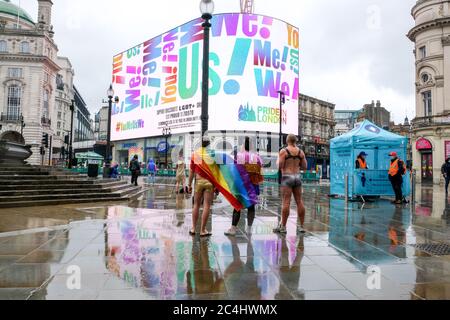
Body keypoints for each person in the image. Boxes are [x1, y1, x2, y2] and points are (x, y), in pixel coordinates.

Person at [225, 137, 263, 236]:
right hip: (253, 186)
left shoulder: (239, 156)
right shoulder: (257, 157)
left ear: (243, 145)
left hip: (241, 185)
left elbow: (234, 171)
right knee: (251, 207)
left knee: (237, 206)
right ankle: (249, 229)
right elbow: (259, 172)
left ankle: (233, 229)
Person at [273, 134, 308, 234]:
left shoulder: (284, 151)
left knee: (286, 202)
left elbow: (280, 166)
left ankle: (283, 227)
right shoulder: (300, 152)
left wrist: (278, 160)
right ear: (295, 141)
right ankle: (301, 226)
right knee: (299, 202)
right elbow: (305, 166)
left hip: (287, 177)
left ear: (287, 141)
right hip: (297, 177)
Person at [188, 137, 215, 237]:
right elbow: (216, 172)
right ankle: (203, 230)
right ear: (209, 144)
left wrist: (189, 184)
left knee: (196, 205)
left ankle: (194, 228)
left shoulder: (196, 154)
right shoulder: (212, 154)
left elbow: (191, 171)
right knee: (206, 206)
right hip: (209, 182)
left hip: (198, 182)